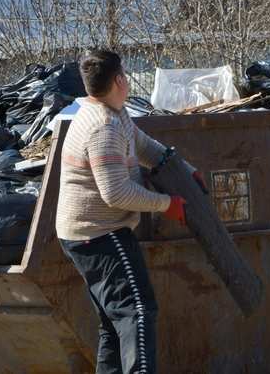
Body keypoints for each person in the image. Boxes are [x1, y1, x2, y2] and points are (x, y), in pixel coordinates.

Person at [55, 49, 186, 374]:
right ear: (118, 80)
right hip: (97, 234)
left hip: (89, 232)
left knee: (114, 324)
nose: (127, 80)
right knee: (137, 313)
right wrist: (167, 204)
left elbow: (141, 145)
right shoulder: (102, 127)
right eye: (125, 74)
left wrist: (183, 168)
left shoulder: (110, 111)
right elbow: (116, 193)